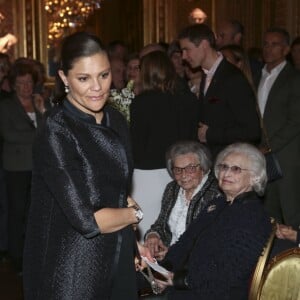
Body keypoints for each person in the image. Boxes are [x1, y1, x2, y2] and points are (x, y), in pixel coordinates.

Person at [23, 32, 151, 300]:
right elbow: (87, 220)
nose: (98, 87)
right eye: (84, 78)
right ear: (64, 78)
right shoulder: (56, 130)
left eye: (104, 75)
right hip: (74, 266)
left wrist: (131, 246)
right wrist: (134, 216)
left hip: (116, 253)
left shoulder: (115, 119)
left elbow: (115, 187)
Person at [156, 143, 272, 300]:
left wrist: (179, 280)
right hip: (188, 286)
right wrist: (163, 268)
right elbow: (186, 241)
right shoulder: (217, 204)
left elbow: (226, 272)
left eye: (236, 169)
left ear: (255, 177)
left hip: (216, 293)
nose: (226, 173)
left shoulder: (253, 216)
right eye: (224, 167)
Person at [130, 51, 200, 240]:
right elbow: (192, 139)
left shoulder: (141, 103)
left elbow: (136, 144)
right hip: (180, 173)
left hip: (146, 175)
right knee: (174, 229)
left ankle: (150, 269)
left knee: (147, 231)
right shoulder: (188, 100)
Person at [178, 24, 260, 158]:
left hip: (231, 162)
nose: (184, 56)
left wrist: (210, 134)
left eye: (187, 50)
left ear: (204, 44)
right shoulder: (207, 74)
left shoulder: (232, 78)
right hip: (213, 159)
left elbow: (252, 131)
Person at [0, 61, 46, 273]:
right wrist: (36, 135)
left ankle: (35, 254)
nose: (26, 87)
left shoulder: (39, 103)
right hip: (16, 167)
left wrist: (43, 110)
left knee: (35, 213)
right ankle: (16, 257)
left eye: (29, 82)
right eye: (21, 83)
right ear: (14, 85)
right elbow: (9, 135)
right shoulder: (6, 106)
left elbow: (50, 130)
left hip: (38, 167)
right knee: (17, 213)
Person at [144, 140, 221, 260]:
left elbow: (210, 243)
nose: (183, 175)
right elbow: (160, 223)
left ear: (203, 168)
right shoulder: (172, 189)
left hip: (196, 264)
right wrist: (153, 236)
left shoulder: (217, 194)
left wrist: (174, 254)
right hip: (166, 260)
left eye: (190, 168)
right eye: (178, 170)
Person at [256, 27, 300, 229]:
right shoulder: (258, 75)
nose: (268, 49)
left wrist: (269, 145)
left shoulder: (294, 78)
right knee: (266, 212)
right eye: (265, 44)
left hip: (286, 155)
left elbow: (296, 121)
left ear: (286, 49)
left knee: (291, 211)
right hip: (260, 154)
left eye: (275, 44)